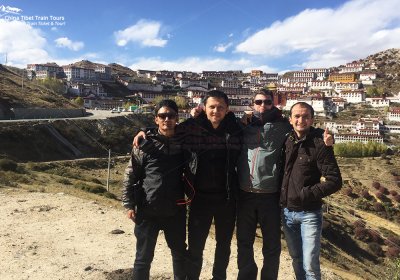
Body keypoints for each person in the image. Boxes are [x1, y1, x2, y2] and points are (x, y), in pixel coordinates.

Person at [133, 90, 242, 280]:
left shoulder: (236, 128)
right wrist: (146, 130)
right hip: (199, 199)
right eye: (212, 107)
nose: (216, 111)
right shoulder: (191, 127)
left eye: (220, 107)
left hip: (227, 198)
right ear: (204, 108)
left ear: (227, 109)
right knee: (195, 248)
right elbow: (167, 127)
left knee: (224, 246)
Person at [235, 90, 333, 280]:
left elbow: (304, 129)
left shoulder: (282, 126)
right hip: (245, 194)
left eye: (267, 102)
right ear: (252, 104)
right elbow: (223, 126)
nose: (263, 106)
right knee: (244, 242)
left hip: (270, 195)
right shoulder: (242, 126)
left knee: (271, 246)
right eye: (258, 102)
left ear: (273, 104)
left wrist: (327, 137)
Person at [122, 99, 187, 280]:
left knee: (179, 256)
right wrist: (128, 205)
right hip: (147, 209)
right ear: (156, 119)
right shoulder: (143, 145)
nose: (167, 119)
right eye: (162, 116)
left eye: (171, 115)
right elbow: (130, 175)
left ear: (177, 118)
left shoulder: (185, 143)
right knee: (143, 259)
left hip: (176, 210)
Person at [280, 102, 342, 280]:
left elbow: (335, 181)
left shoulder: (319, 144)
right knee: (296, 259)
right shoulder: (286, 140)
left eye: (306, 116)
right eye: (297, 116)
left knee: (310, 265)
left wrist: (306, 194)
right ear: (290, 119)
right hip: (286, 212)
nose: (301, 120)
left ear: (312, 119)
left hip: (309, 214)